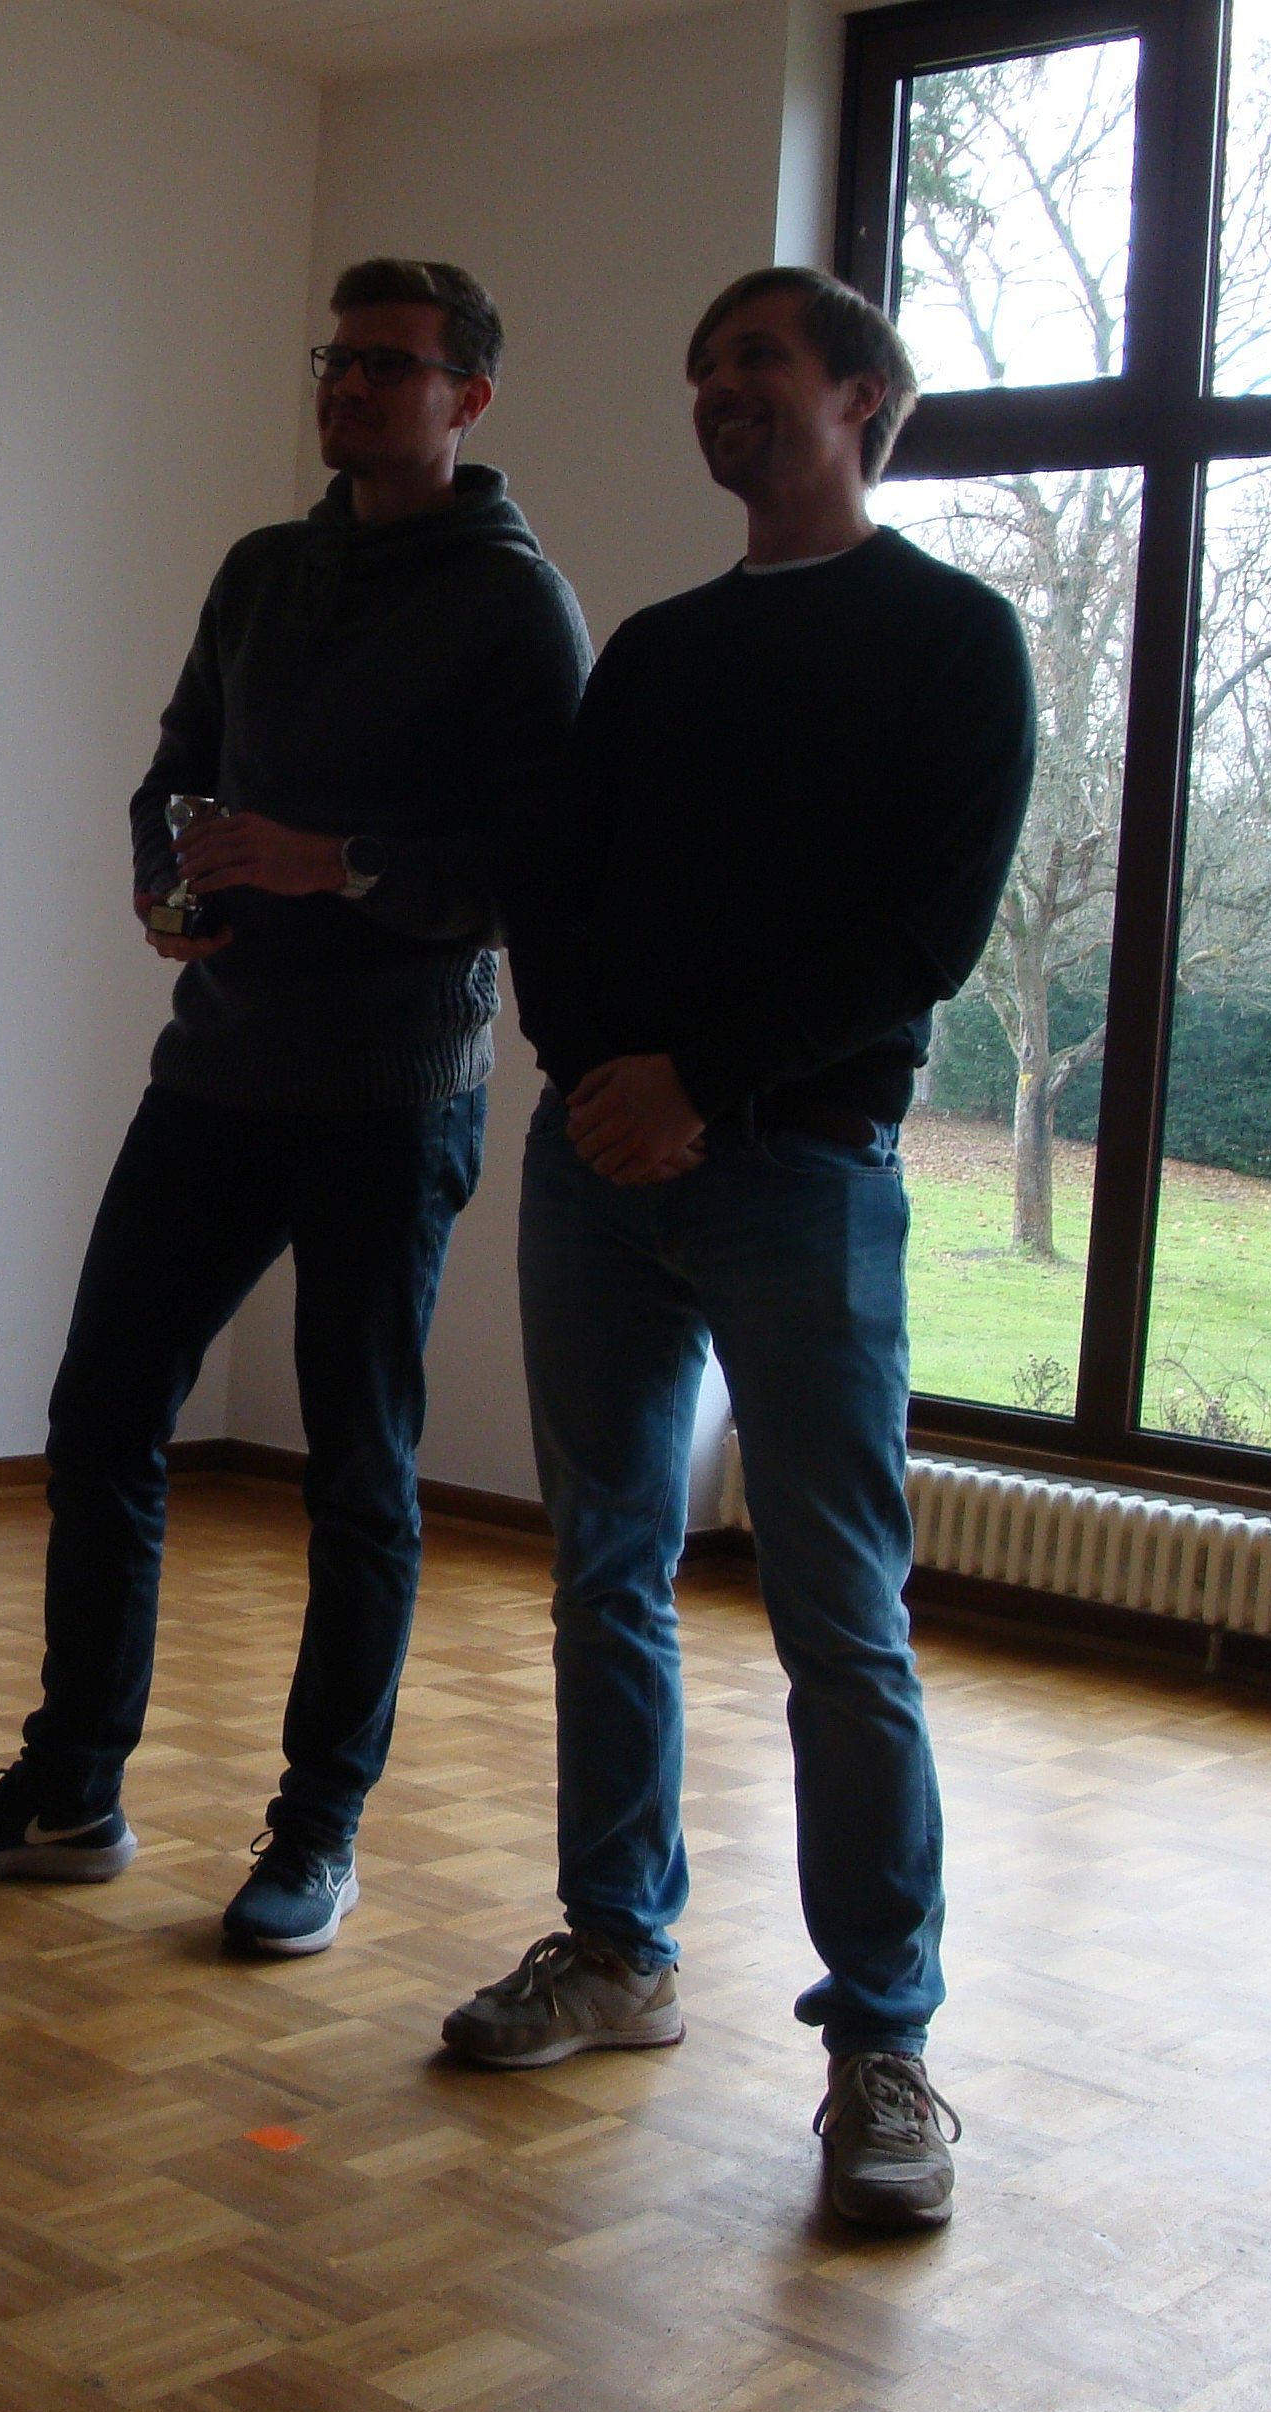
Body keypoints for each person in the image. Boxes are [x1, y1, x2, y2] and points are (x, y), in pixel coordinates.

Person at [0, 259, 592, 1959]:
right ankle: (71, 1792)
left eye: (389, 364)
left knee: (359, 1470)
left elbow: (534, 868)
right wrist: (166, 879)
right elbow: (174, 771)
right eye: (336, 357)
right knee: (102, 1413)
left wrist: (336, 863)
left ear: (469, 397)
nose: (348, 384)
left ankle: (316, 1832)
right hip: (217, 1065)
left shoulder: (515, 603)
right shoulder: (262, 569)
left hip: (390, 1093)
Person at [442, 265, 1035, 2232]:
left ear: (863, 396)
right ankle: (618, 1952)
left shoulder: (953, 638)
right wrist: (599, 1079)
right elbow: (553, 881)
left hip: (804, 1172)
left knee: (840, 1623)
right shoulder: (660, 650)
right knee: (603, 1572)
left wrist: (699, 1079)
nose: (718, 391)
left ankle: (884, 2045)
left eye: (757, 361)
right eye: (701, 368)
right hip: (599, 1164)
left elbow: (923, 931)